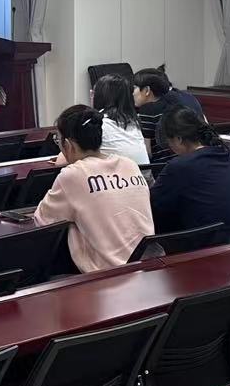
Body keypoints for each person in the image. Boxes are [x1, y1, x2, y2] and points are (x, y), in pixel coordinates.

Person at [34, 105, 154, 272]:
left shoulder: (73, 175)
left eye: (58, 140)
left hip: (109, 275)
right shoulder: (130, 165)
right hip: (148, 266)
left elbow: (42, 220)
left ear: (68, 144)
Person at [150, 108, 230, 237]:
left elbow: (152, 205)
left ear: (178, 139)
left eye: (169, 142)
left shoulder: (180, 166)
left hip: (216, 243)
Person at [132, 66, 205, 170]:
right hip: (197, 161)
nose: (132, 93)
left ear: (147, 90)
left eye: (134, 88)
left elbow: (147, 153)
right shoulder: (188, 98)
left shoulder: (147, 110)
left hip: (165, 168)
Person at [91, 73, 150, 166]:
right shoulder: (135, 123)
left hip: (117, 174)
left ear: (98, 96)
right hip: (143, 174)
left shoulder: (97, 124)